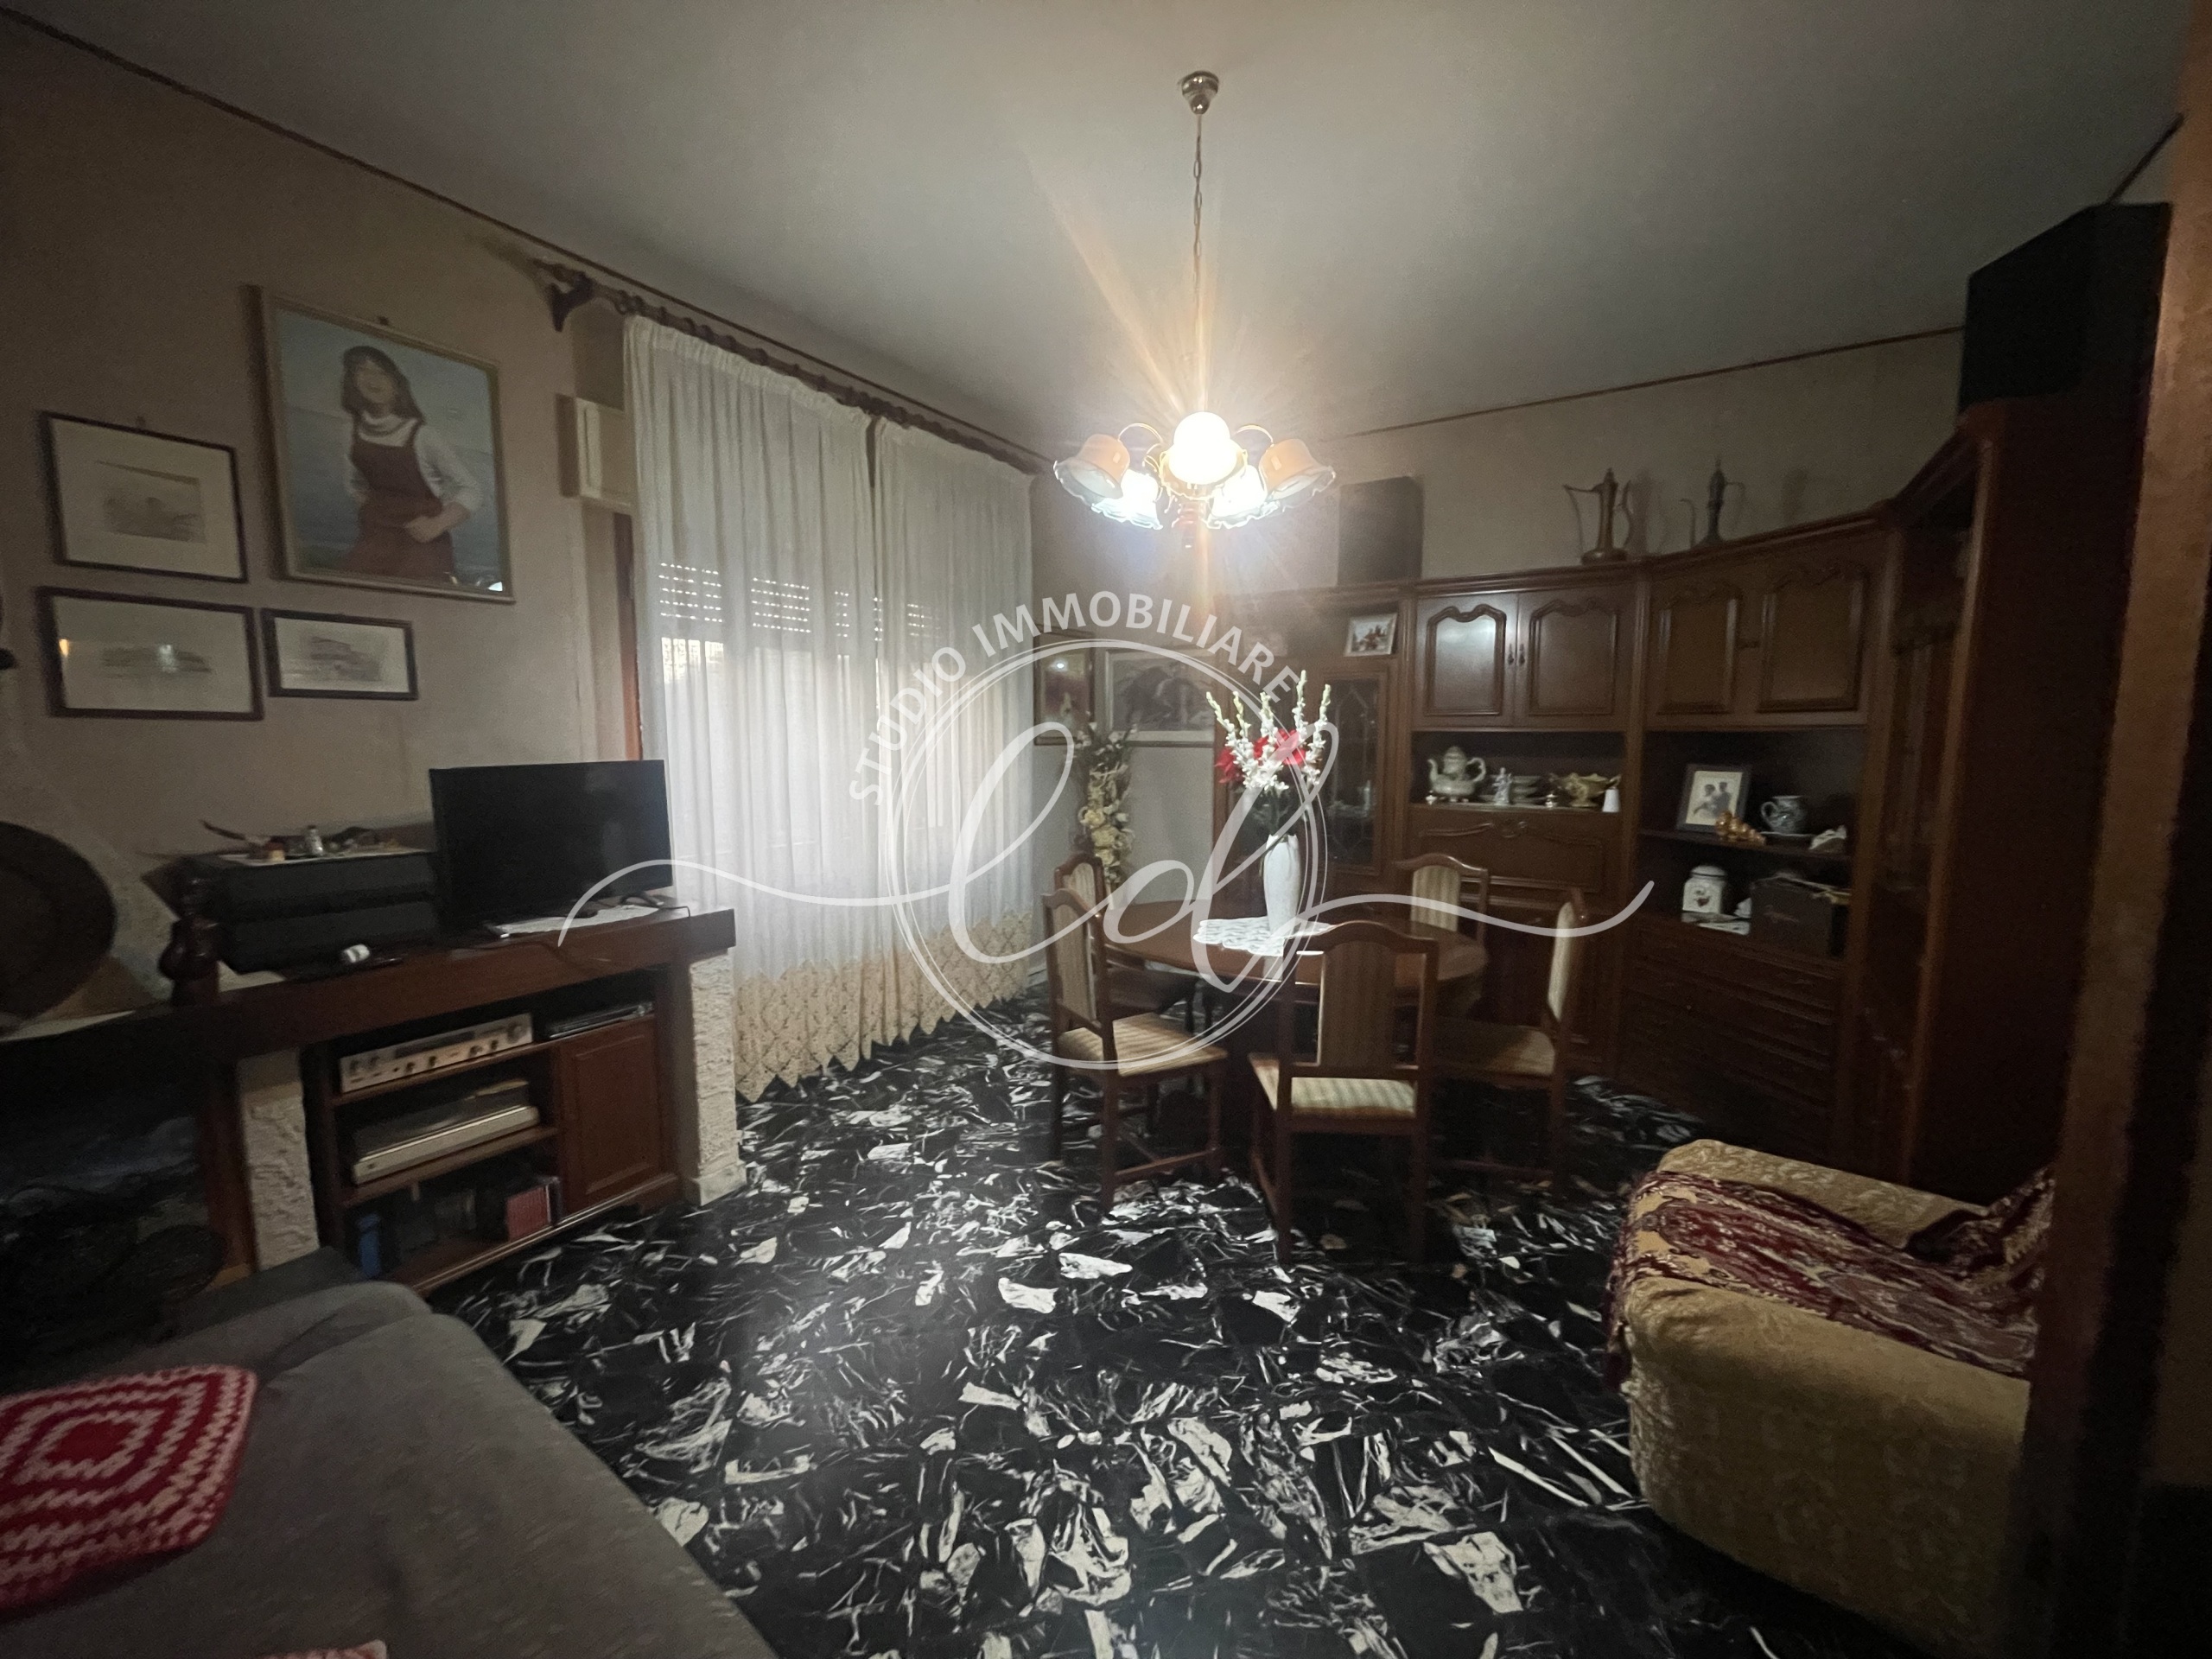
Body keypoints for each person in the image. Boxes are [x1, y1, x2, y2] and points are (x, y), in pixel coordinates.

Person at [337, 345, 481, 582]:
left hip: (422, 546)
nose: (373, 380)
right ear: (352, 382)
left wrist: (438, 524)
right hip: (375, 541)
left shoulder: (424, 436)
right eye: (363, 371)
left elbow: (471, 489)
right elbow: (354, 484)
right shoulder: (349, 432)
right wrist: (373, 512)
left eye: (381, 373)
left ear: (397, 385)